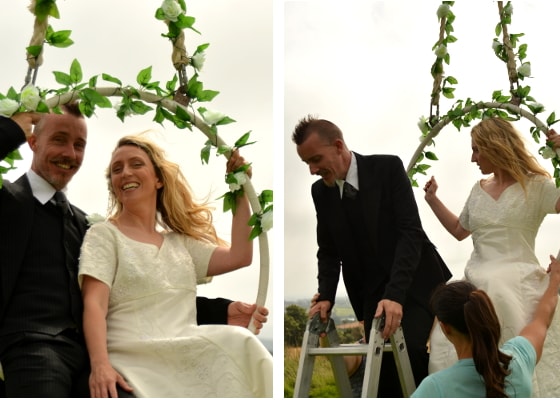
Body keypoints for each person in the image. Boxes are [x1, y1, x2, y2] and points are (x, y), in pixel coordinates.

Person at [0, 109, 268, 397]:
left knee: (241, 350)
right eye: (59, 139)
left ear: (159, 179)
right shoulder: (8, 200)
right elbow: (98, 303)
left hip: (91, 355)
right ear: (33, 141)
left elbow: (141, 297)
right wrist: (10, 130)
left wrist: (222, 311)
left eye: (79, 145)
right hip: (35, 347)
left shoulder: (84, 225)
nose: (70, 153)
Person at [78, 134, 273, 398]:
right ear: (113, 185)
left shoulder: (179, 244)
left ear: (158, 179)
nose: (125, 173)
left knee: (243, 342)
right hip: (133, 358)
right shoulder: (104, 235)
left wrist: (240, 189)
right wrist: (99, 365)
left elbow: (240, 255)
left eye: (136, 164)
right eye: (116, 169)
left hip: (185, 349)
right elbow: (94, 304)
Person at [291, 115, 452, 397]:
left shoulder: (388, 168)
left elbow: (410, 233)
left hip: (415, 284)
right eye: (307, 163)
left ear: (339, 146)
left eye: (316, 159)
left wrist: (396, 296)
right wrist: (326, 294)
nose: (312, 170)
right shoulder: (320, 192)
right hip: (370, 293)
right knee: (379, 368)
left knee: (413, 350)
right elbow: (328, 250)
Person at [423, 117, 560, 396]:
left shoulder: (536, 185)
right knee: (458, 301)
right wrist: (432, 200)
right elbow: (460, 230)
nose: (473, 158)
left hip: (517, 275)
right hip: (477, 274)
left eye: (476, 149)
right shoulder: (478, 189)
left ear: (495, 146)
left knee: (498, 288)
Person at [412, 254, 560, 397]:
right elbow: (542, 318)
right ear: (487, 314)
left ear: (445, 328)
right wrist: (555, 278)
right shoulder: (519, 360)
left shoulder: (435, 387)